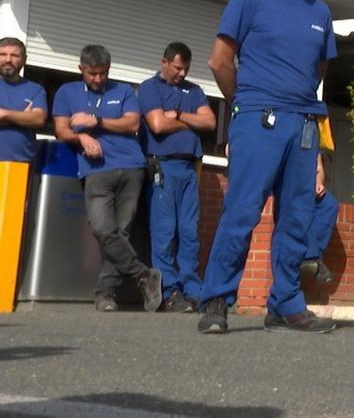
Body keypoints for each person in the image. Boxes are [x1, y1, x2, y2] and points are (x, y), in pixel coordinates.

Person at [197, 0, 337, 334]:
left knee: (297, 216)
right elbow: (220, 61)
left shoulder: (320, 12)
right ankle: (217, 303)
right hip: (258, 118)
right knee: (242, 211)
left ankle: (286, 303)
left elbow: (319, 70)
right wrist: (244, 103)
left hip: (304, 122)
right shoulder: (249, 1)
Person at [52, 44, 161, 312]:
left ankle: (105, 295)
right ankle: (144, 275)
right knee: (103, 230)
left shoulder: (123, 90)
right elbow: (60, 129)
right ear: (81, 69)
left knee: (120, 233)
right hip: (97, 171)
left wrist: (96, 122)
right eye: (92, 74)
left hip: (133, 169)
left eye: (103, 73)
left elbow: (133, 123)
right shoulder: (67, 92)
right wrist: (81, 136)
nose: (99, 79)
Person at [139, 42, 216, 313]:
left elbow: (210, 122)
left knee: (189, 232)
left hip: (189, 168)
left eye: (186, 69)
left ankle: (192, 289)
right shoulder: (150, 88)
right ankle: (169, 292)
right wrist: (191, 120)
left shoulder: (194, 91)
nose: (182, 73)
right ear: (165, 62)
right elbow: (157, 124)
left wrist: (181, 115)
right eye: (178, 67)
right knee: (164, 231)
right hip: (163, 167)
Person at [0, 37, 47, 164]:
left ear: (24, 59)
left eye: (14, 55)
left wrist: (4, 114)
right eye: (3, 54)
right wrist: (23, 117)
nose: (8, 59)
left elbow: (38, 119)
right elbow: (31, 118)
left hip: (21, 165)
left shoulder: (36, 89)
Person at [299, 136, 338, 287]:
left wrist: (318, 183)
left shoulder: (312, 130)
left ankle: (311, 258)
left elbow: (319, 167)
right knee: (299, 205)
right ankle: (315, 259)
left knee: (329, 204)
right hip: (290, 187)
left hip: (309, 189)